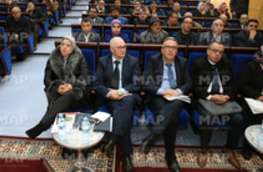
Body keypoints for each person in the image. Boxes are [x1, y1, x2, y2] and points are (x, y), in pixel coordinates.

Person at [141, 37, 192, 172]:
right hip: (158, 96)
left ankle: (153, 136)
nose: (170, 50)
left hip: (176, 97)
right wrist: (163, 91)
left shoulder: (182, 62)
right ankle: (170, 156)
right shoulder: (154, 60)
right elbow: (145, 82)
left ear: (177, 50)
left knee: (176, 104)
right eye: (167, 47)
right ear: (162, 49)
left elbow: (188, 83)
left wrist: (178, 91)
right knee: (172, 120)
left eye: (174, 47)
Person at [190, 42, 243, 169]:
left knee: (238, 119)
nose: (217, 54)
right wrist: (210, 97)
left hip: (224, 98)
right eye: (214, 50)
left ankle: (229, 148)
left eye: (220, 52)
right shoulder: (199, 64)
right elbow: (195, 87)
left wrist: (227, 96)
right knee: (208, 117)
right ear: (208, 51)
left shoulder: (227, 63)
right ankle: (204, 150)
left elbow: (234, 85)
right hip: (205, 98)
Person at [26, 36, 91, 139]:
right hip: (59, 93)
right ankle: (66, 144)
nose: (64, 47)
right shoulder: (52, 58)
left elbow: (86, 79)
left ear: (72, 48)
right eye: (62, 44)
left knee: (69, 95)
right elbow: (46, 78)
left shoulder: (80, 58)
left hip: (77, 93)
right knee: (62, 101)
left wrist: (71, 86)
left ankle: (41, 126)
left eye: (68, 45)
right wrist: (57, 87)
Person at [94, 37, 141, 172]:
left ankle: (112, 141)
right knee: (123, 116)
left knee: (128, 101)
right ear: (111, 49)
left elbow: (136, 84)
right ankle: (125, 156)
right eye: (119, 47)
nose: (123, 50)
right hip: (111, 99)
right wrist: (110, 94)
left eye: (124, 46)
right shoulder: (103, 61)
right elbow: (97, 84)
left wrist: (120, 92)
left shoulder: (133, 61)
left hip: (128, 96)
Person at [238, 46, 263, 160]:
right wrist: (258, 96)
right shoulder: (250, 66)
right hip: (250, 98)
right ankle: (248, 145)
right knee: (259, 114)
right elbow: (242, 86)